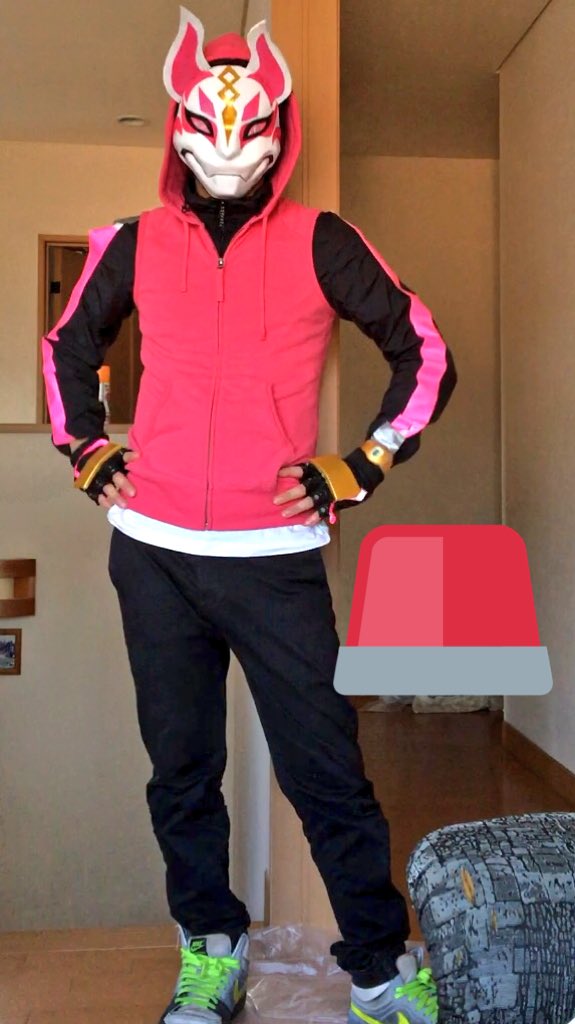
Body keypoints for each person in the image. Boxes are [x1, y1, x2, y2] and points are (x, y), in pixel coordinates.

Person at [42, 10, 456, 1024]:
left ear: (278, 128)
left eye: (250, 125)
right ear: (179, 125)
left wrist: (358, 466)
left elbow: (426, 355)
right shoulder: (132, 242)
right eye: (207, 124)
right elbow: (64, 348)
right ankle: (212, 951)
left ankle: (377, 971)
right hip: (153, 553)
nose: (228, 145)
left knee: (326, 770)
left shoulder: (323, 240)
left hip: (273, 558)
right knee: (182, 770)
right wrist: (87, 447)